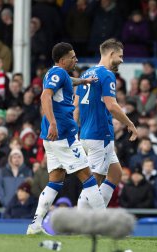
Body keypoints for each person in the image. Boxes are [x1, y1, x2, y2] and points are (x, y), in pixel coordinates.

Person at [27, 42, 105, 235]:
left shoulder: (55, 73)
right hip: (63, 134)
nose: (76, 59)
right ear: (62, 60)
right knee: (88, 178)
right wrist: (53, 122)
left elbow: (68, 81)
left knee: (55, 180)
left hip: (51, 138)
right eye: (73, 57)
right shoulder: (59, 74)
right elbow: (45, 97)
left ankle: (35, 224)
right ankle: (106, 225)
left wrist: (84, 82)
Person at [74, 39, 138, 209]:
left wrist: (76, 131)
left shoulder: (85, 74)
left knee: (115, 174)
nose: (122, 60)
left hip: (86, 134)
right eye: (121, 56)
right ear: (111, 54)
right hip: (100, 135)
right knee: (94, 181)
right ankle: (82, 221)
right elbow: (112, 106)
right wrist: (130, 124)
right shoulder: (107, 74)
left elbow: (76, 107)